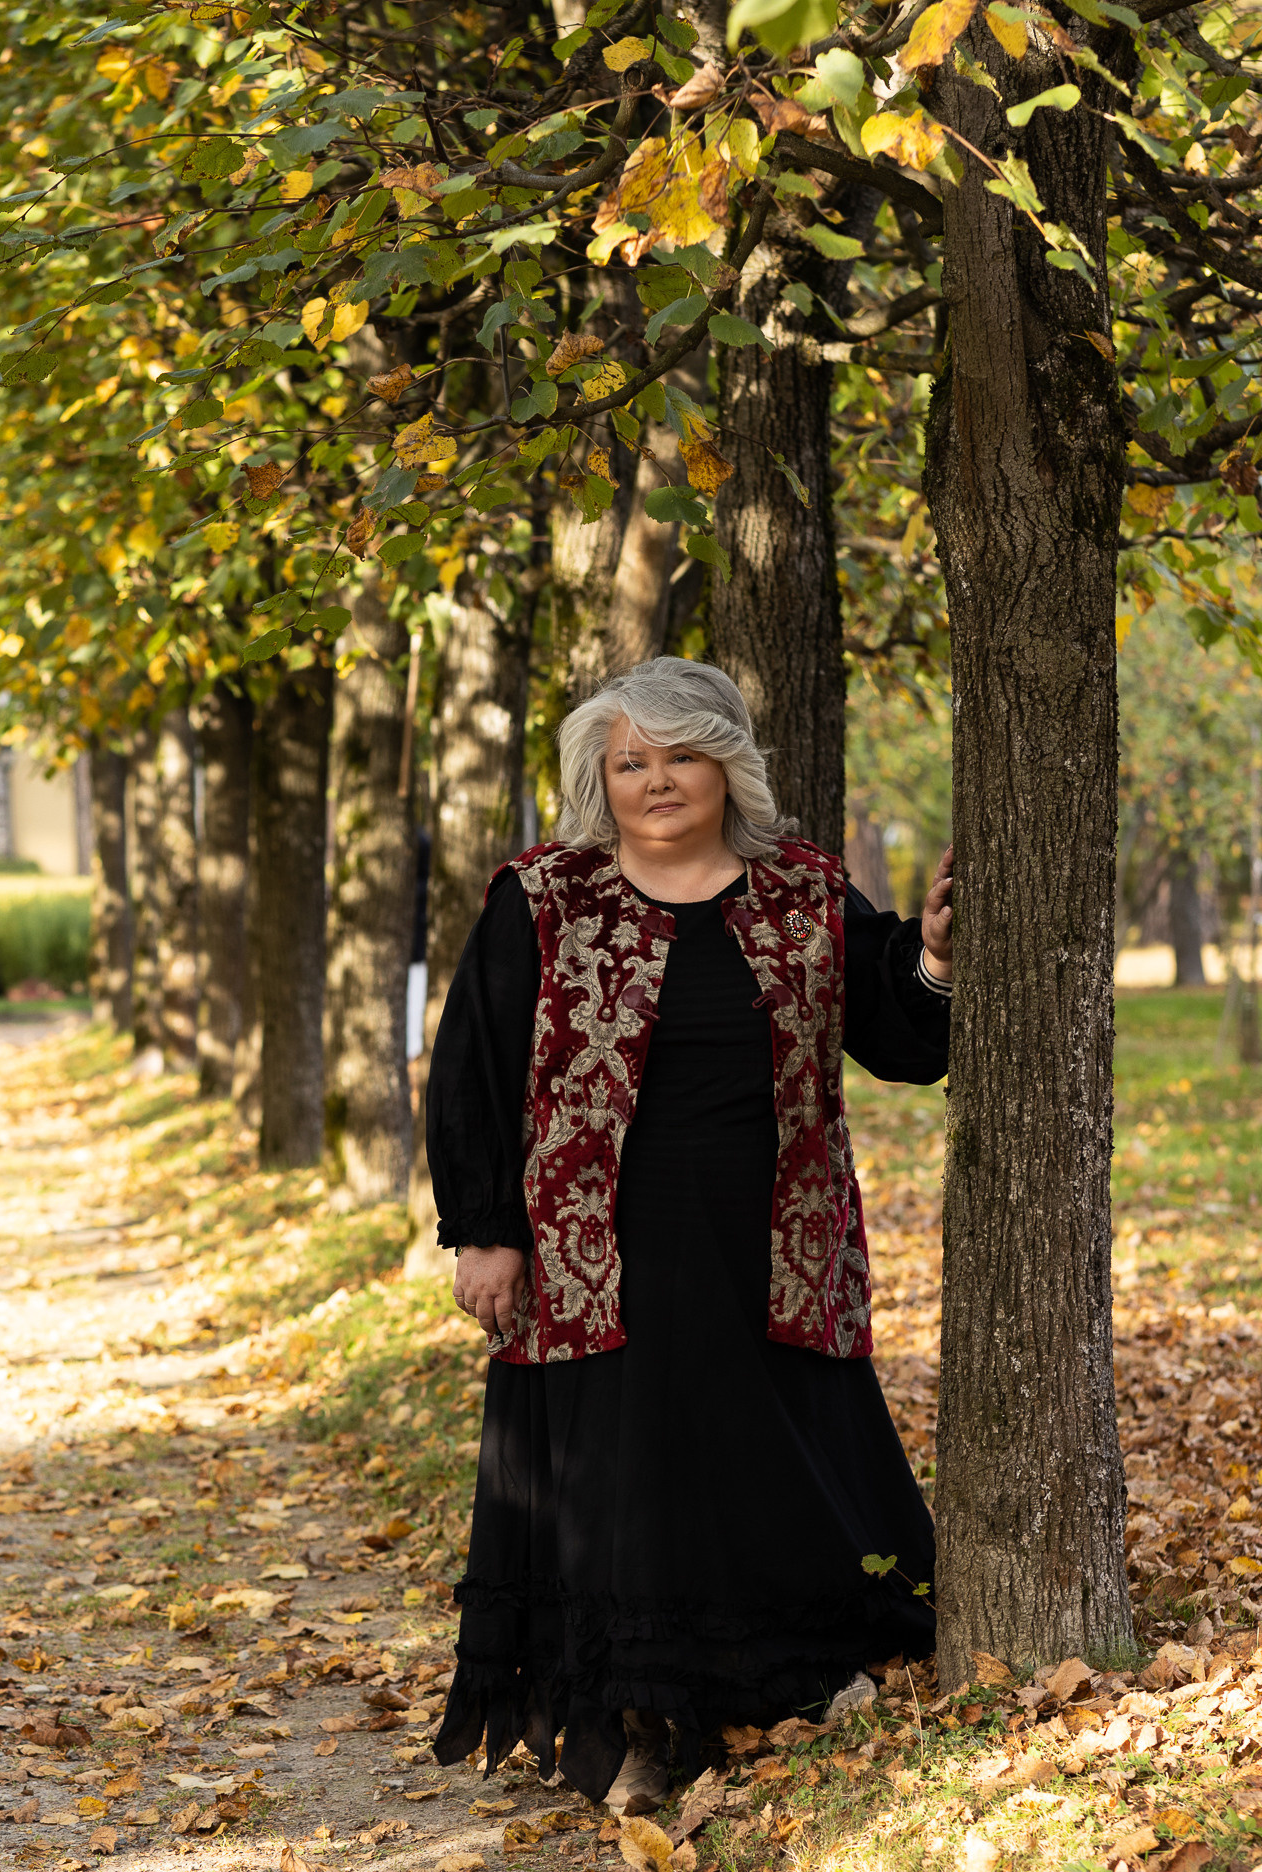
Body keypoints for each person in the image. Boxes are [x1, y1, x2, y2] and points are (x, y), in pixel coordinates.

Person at [426, 658, 954, 1812]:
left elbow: (907, 1042)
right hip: (593, 1250)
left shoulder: (806, 895)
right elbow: (473, 1067)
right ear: (598, 780)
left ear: (726, 765)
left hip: (770, 1240)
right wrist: (483, 1231)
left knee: (757, 1461)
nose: (655, 782)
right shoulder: (542, 898)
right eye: (630, 764)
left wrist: (935, 959)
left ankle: (782, 1681)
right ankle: (630, 1723)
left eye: (679, 756)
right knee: (628, 1476)